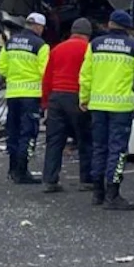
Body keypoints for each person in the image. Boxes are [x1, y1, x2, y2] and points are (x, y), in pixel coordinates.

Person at [80, 10, 134, 210]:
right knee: (117, 151)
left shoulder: (95, 45)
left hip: (98, 105)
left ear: (110, 23)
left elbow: (86, 74)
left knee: (99, 148)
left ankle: (97, 193)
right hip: (121, 107)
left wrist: (84, 98)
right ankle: (113, 194)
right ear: (127, 27)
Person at [40, 17, 95, 193]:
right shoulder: (89, 49)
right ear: (88, 35)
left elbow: (46, 77)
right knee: (85, 139)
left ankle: (50, 180)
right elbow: (90, 76)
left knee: (55, 141)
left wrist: (45, 103)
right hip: (77, 97)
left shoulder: (57, 48)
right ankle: (86, 180)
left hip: (56, 97)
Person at [0, 13, 50, 185]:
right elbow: (45, 72)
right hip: (31, 96)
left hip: (12, 94)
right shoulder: (41, 45)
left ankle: (12, 169)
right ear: (39, 27)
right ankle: (22, 171)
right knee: (28, 133)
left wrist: (14, 76)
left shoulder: (11, 43)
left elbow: (1, 67)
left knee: (13, 132)